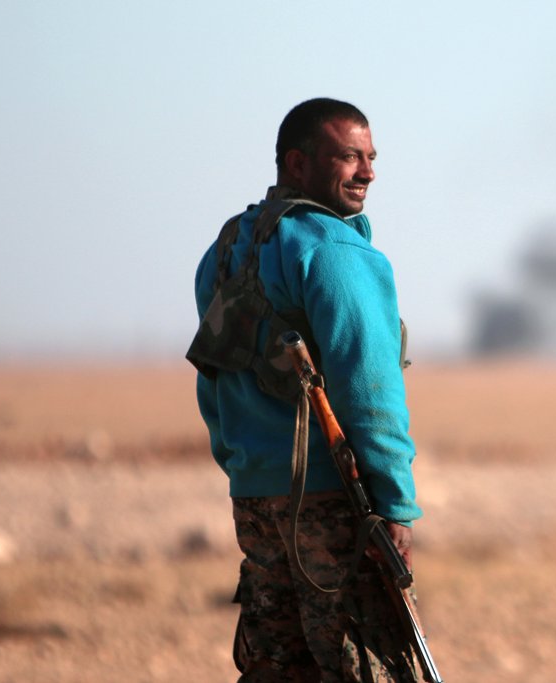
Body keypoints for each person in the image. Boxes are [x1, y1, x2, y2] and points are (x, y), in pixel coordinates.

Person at [189, 98, 423, 682]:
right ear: (298, 163)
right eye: (349, 157)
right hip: (331, 503)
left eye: (371, 158)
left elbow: (212, 382)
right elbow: (370, 395)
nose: (368, 172)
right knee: (366, 668)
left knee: (277, 669)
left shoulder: (226, 249)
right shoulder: (336, 252)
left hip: (256, 501)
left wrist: (244, 468)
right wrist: (395, 506)